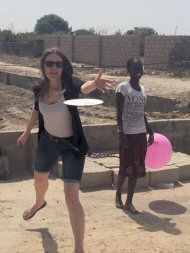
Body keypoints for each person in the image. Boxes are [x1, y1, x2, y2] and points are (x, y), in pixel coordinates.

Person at [17, 47, 113, 253]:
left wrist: (94, 84)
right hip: (47, 142)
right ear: (43, 66)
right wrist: (26, 132)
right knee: (39, 179)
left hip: (72, 145)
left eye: (58, 64)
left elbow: (84, 87)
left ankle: (79, 247)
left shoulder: (70, 86)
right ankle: (39, 203)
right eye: (49, 63)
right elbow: (36, 110)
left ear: (63, 67)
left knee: (71, 196)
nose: (53, 67)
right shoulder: (39, 89)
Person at [115, 57, 154, 214]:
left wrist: (150, 132)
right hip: (128, 134)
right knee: (125, 167)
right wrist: (121, 133)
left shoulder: (143, 90)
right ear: (128, 70)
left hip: (140, 134)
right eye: (135, 67)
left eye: (140, 67)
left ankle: (129, 202)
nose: (138, 70)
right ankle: (118, 194)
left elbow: (142, 113)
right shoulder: (122, 87)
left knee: (137, 168)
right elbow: (118, 111)